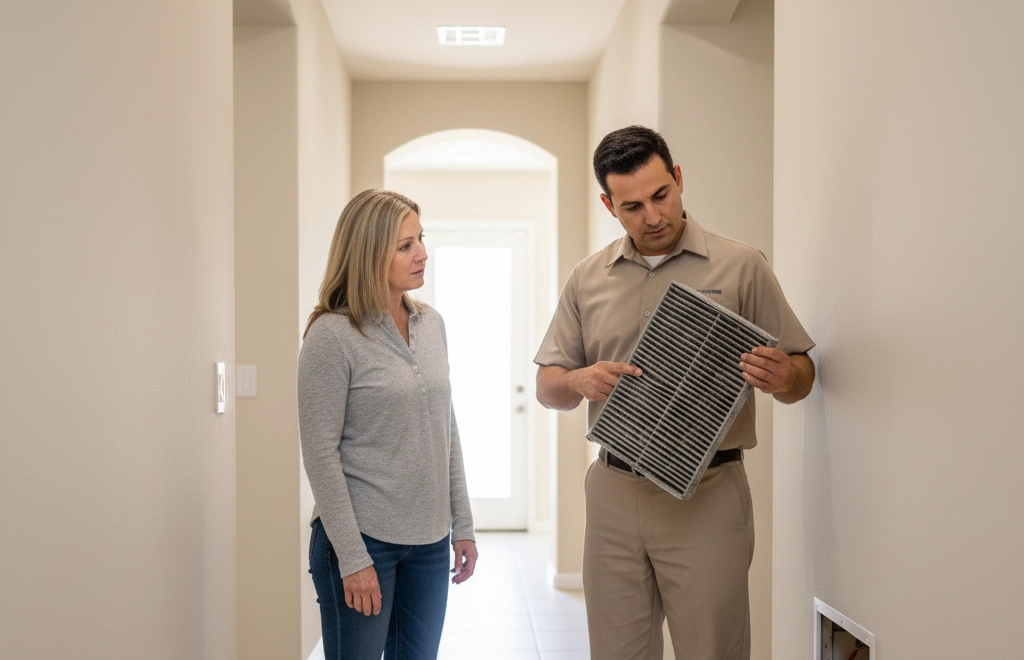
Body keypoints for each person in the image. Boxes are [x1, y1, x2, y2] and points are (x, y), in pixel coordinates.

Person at [534, 126, 815, 660]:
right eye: (632, 206)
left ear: (679, 179)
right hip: (614, 492)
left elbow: (802, 374)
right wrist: (577, 380)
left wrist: (786, 377)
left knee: (713, 650)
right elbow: (550, 386)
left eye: (661, 195)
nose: (653, 216)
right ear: (608, 204)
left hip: (708, 496)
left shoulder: (742, 265)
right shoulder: (587, 278)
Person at [298, 189, 478, 660]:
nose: (422, 253)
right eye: (405, 245)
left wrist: (463, 524)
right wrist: (353, 559)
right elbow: (320, 454)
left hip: (431, 543)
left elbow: (447, 429)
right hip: (362, 544)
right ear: (368, 254)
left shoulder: (431, 323)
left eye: (421, 238)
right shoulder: (332, 335)